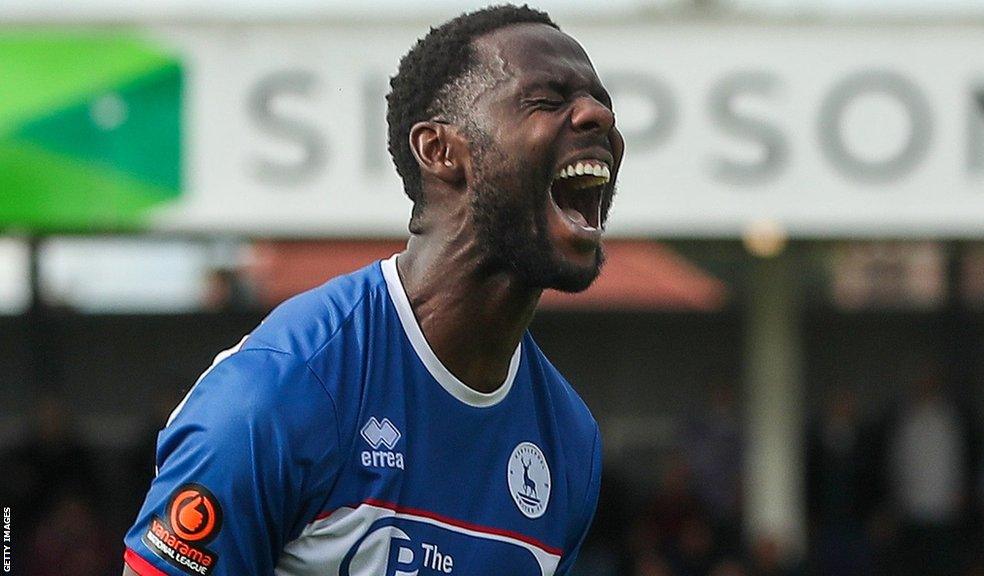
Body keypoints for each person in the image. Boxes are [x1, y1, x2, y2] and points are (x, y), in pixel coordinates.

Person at [122, 4, 624, 575]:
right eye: (547, 101)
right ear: (440, 151)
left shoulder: (570, 441)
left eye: (602, 103)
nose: (596, 116)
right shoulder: (279, 391)